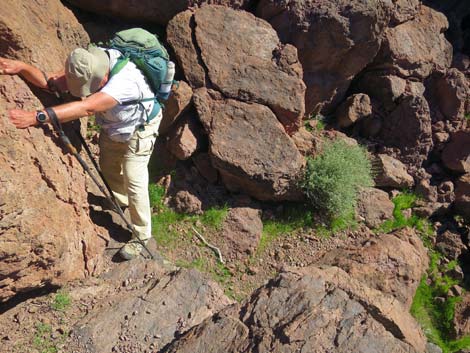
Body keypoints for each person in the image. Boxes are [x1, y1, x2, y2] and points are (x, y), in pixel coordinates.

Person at [0, 46, 163, 260]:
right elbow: (53, 84)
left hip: (141, 128)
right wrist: (22, 67)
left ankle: (142, 234)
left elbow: (86, 108)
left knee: (134, 177)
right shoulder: (87, 63)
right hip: (114, 126)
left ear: (102, 77)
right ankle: (121, 200)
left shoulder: (124, 83)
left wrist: (35, 117)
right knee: (108, 166)